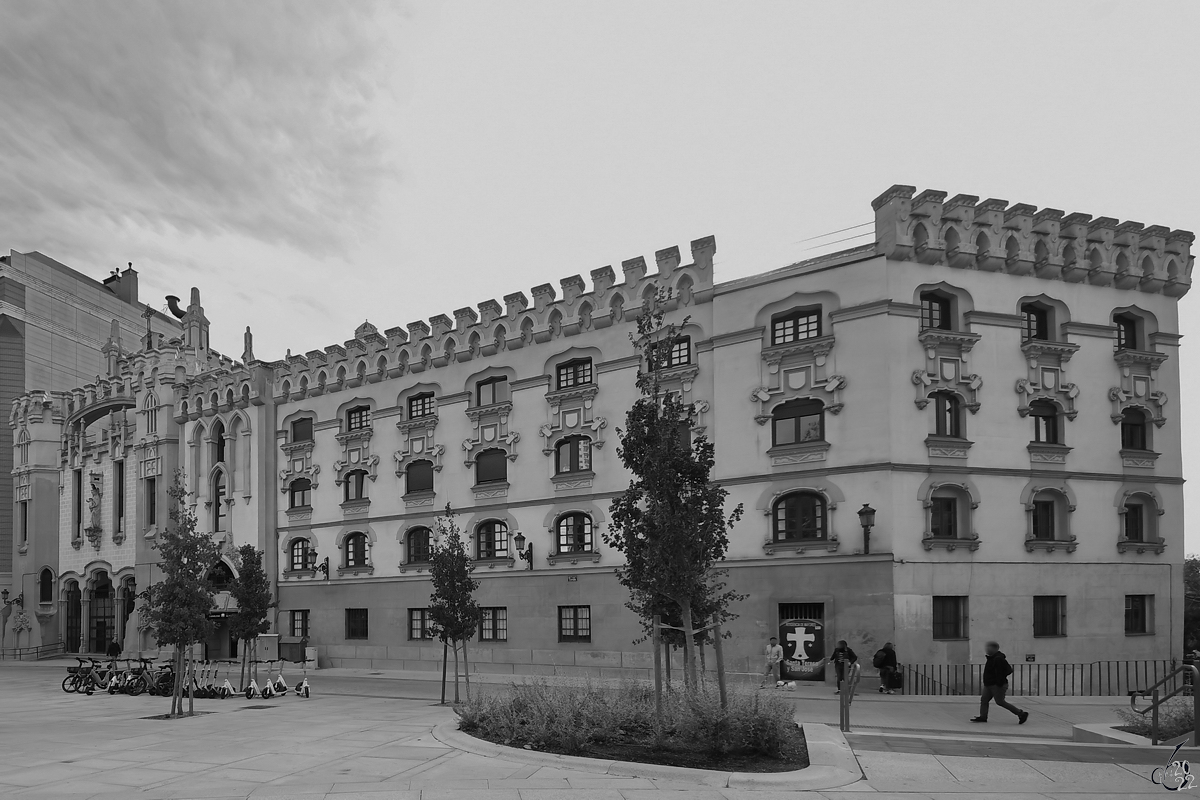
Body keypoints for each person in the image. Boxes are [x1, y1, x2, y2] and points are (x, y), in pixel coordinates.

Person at [971, 641, 1029, 724]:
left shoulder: (998, 659)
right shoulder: (991, 658)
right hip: (989, 684)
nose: (987, 649)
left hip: (997, 685)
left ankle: (1021, 713)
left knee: (1000, 702)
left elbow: (1008, 670)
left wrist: (999, 682)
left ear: (995, 649)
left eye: (989, 648)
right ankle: (983, 716)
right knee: (984, 700)